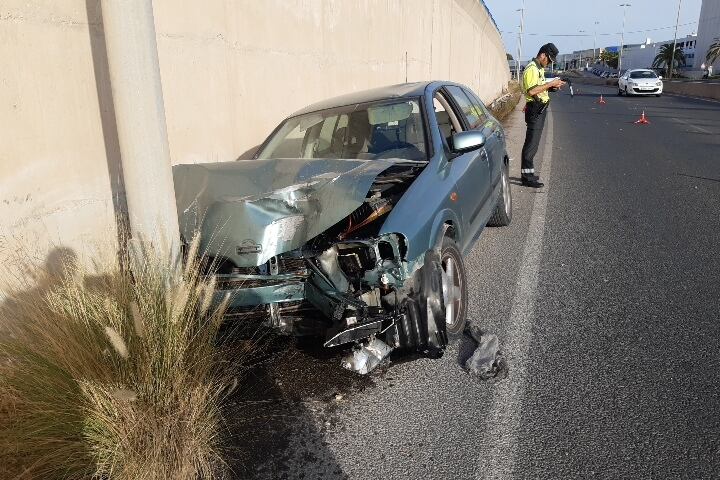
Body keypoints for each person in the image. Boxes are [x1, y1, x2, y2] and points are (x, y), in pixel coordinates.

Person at [520, 43, 565, 188]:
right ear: (543, 55)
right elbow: (532, 91)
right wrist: (550, 83)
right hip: (535, 110)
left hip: (539, 109)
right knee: (531, 145)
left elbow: (539, 88)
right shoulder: (532, 69)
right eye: (549, 60)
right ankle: (527, 178)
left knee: (533, 145)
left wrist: (552, 87)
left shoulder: (538, 68)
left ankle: (529, 173)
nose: (550, 63)